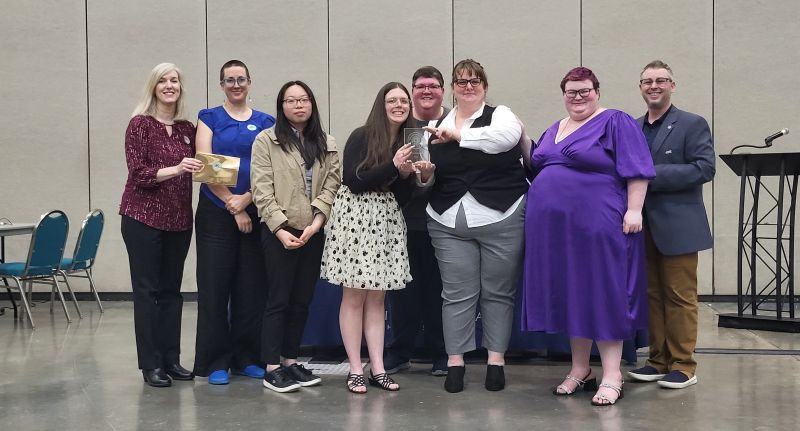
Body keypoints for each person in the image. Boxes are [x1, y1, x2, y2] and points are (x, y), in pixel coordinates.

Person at [521, 66, 656, 406]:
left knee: (603, 293)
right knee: (573, 295)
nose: (578, 97)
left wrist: (635, 209)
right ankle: (580, 369)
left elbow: (637, 167)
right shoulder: (556, 128)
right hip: (556, 232)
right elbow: (537, 165)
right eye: (571, 92)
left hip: (599, 224)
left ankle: (612, 374)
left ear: (597, 92)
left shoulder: (615, 121)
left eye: (585, 91)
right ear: (563, 95)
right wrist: (520, 135)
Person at [423, 59, 527, 393]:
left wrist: (457, 135)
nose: (468, 86)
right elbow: (427, 176)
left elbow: (504, 140)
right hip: (447, 219)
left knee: (498, 293)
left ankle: (496, 362)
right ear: (452, 88)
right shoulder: (434, 125)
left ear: (484, 85)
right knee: (456, 295)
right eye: (461, 81)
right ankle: (455, 362)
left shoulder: (501, 115)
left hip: (501, 215)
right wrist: (424, 174)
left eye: (475, 81)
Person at [320, 82, 430, 394]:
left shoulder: (413, 140)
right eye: (392, 100)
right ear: (381, 105)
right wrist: (392, 166)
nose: (399, 105)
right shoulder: (362, 135)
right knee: (354, 296)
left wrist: (410, 175)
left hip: (387, 220)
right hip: (355, 219)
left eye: (403, 101)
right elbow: (354, 181)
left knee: (378, 298)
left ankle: (378, 368)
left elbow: (403, 197)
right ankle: (355, 368)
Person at [627, 60, 715, 390]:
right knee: (651, 295)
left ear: (672, 86)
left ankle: (683, 364)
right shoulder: (632, 126)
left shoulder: (692, 124)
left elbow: (704, 168)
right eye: (647, 81)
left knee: (680, 297)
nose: (654, 86)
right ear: (640, 87)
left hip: (679, 227)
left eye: (661, 80)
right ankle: (657, 360)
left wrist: (648, 175)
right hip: (642, 226)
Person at [251, 80, 341, 393]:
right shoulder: (266, 140)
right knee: (279, 299)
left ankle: (290, 361)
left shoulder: (327, 142)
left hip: (313, 230)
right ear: (282, 106)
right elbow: (261, 189)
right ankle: (272, 367)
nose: (298, 105)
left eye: (303, 99)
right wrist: (279, 229)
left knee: (302, 300)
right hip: (279, 231)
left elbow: (332, 185)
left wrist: (317, 223)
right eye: (290, 100)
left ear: (312, 104)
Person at [192, 60, 275, 385]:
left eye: (241, 79)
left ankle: (247, 358)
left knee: (251, 288)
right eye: (230, 80)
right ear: (222, 85)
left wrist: (248, 200)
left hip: (255, 209)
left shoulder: (266, 121)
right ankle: (216, 361)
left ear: (249, 82)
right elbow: (206, 163)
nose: (236, 84)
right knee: (215, 287)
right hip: (216, 212)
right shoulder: (209, 118)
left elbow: (271, 169)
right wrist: (234, 205)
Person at [120, 63, 202, 388]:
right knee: (147, 292)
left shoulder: (187, 128)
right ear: (153, 87)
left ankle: (171, 359)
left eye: (175, 81)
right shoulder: (140, 124)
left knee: (172, 293)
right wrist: (177, 168)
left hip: (179, 220)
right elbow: (139, 173)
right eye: (163, 81)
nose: (170, 85)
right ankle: (151, 364)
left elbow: (204, 165)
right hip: (142, 219)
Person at [383, 66, 450, 377]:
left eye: (433, 86)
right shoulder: (399, 125)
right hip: (405, 221)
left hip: (446, 221)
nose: (427, 91)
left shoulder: (454, 123)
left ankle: (442, 353)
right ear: (412, 92)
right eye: (421, 86)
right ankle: (399, 352)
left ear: (443, 91)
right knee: (402, 293)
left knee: (440, 292)